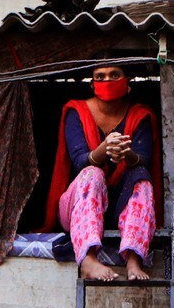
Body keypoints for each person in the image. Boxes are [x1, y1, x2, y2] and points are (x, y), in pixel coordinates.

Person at [41, 62, 159, 281]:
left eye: (115, 75)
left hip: (118, 208)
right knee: (92, 173)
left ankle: (134, 258)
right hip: (79, 205)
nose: (107, 80)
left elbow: (144, 159)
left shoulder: (140, 115)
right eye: (100, 76)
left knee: (141, 178)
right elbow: (79, 161)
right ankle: (87, 259)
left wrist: (127, 154)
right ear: (93, 83)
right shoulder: (76, 111)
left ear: (127, 82)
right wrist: (104, 149)